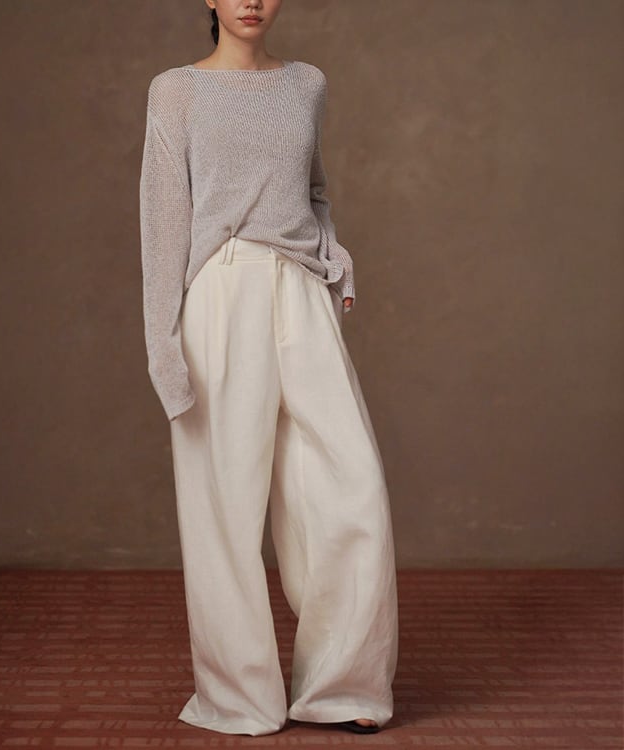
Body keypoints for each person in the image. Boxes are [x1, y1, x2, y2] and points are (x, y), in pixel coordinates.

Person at [138, 0, 398, 737]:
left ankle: (343, 689)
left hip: (301, 293)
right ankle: (240, 697)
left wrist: (332, 253)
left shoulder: (307, 83)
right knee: (223, 503)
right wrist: (163, 347)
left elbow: (311, 193)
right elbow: (163, 221)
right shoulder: (177, 91)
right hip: (221, 293)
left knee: (349, 486)